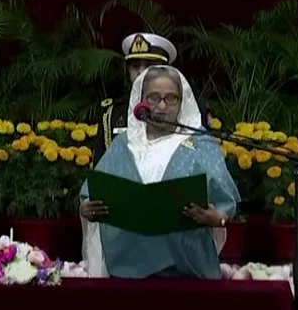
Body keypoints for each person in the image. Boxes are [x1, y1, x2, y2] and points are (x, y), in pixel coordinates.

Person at [79, 65, 240, 279]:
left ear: (182, 102)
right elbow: (90, 195)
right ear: (141, 101)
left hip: (187, 271)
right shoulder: (123, 145)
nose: (162, 106)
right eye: (154, 97)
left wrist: (216, 218)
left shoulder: (201, 144)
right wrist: (86, 209)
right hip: (127, 270)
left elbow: (225, 207)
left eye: (171, 98)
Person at [94, 33, 178, 166]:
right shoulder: (112, 113)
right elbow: (99, 168)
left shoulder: (181, 109)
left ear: (165, 70)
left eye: (148, 65)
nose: (140, 71)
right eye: (135, 66)